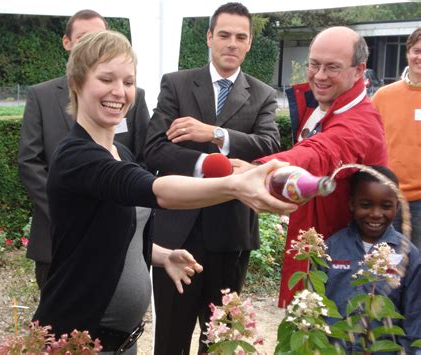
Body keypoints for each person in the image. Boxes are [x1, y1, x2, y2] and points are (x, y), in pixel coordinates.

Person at [32, 30, 296, 354]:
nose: (120, 91)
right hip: (77, 340)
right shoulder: (76, 156)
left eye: (128, 82)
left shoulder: (120, 152)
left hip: (120, 341)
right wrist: (235, 185)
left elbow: (113, 234)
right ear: (76, 83)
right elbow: (157, 191)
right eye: (106, 79)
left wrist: (161, 256)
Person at [143, 3, 281, 353]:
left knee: (222, 338)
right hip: (176, 232)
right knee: (171, 338)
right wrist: (208, 164)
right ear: (209, 37)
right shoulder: (176, 84)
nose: (231, 44)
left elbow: (269, 146)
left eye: (240, 37)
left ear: (249, 43)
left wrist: (216, 133)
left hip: (230, 234)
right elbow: (154, 149)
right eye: (224, 35)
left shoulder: (262, 94)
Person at [233, 26, 388, 308]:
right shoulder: (321, 103)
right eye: (314, 64)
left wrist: (261, 169)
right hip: (313, 247)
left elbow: (320, 151)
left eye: (332, 67)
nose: (319, 75)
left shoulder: (361, 122)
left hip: (342, 263)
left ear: (359, 70)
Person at [18, 9, 151, 290]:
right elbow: (30, 162)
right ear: (67, 42)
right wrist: (69, 210)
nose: (93, 46)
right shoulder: (41, 95)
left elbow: (143, 157)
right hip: (55, 236)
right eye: (83, 38)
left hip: (118, 238)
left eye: (100, 38)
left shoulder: (132, 96)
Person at [325, 166, 421, 354]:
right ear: (352, 204)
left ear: (397, 207)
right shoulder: (330, 248)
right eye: (366, 205)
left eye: (386, 206)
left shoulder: (408, 255)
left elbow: (415, 315)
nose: (376, 214)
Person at [372, 27, 421, 250]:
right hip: (387, 196)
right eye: (417, 51)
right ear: (408, 52)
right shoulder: (384, 96)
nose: (420, 58)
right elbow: (370, 140)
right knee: (385, 264)